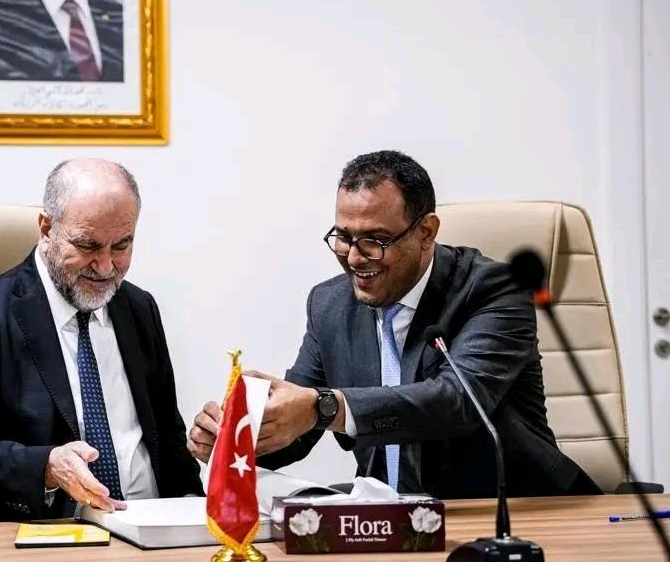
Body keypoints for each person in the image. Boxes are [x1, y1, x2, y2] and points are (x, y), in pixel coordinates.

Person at [188, 151, 600, 499]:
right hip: (391, 520)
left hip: (515, 512)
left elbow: (455, 402)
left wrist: (323, 406)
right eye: (344, 237)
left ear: (426, 232)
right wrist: (237, 440)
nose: (354, 257)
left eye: (376, 240)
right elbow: (301, 423)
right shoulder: (330, 304)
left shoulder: (494, 290)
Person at [0, 159, 201, 523]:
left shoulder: (138, 308)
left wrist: (193, 505)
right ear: (46, 228)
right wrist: (46, 466)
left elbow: (167, 434)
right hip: (46, 528)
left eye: (121, 245)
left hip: (149, 523)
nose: (105, 266)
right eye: (88, 245)